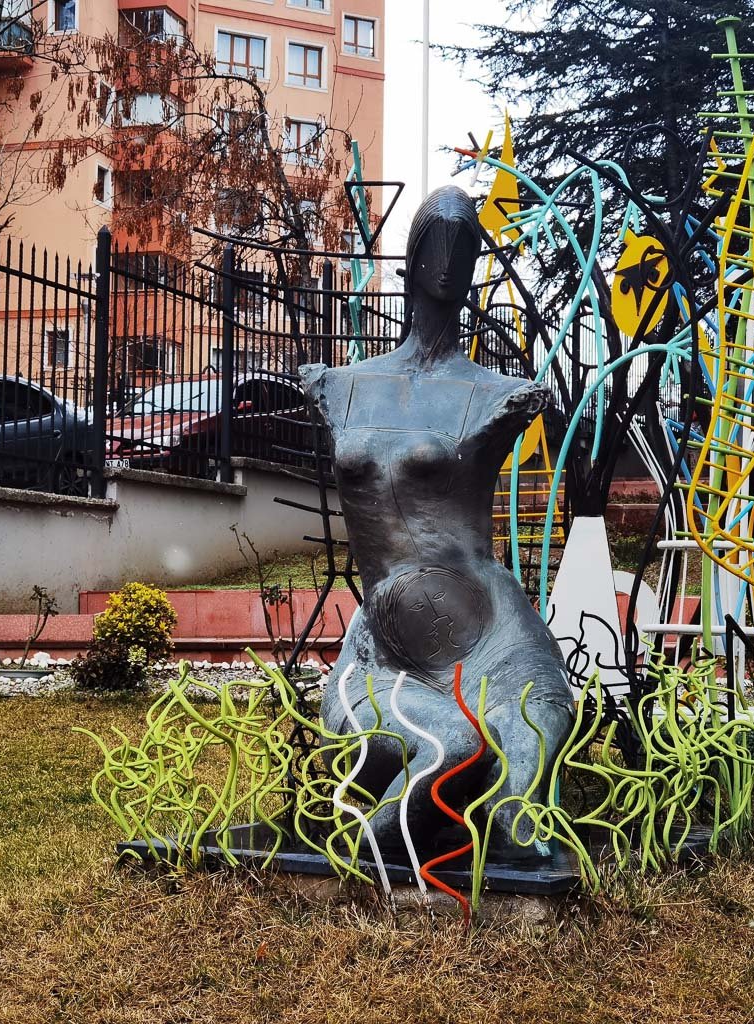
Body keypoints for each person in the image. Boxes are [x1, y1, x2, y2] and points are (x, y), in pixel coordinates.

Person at [299, 186, 573, 859]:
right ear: (412, 257)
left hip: (492, 634)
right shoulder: (339, 384)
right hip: (384, 649)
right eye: (437, 242)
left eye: (465, 245)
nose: (449, 262)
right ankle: (375, 847)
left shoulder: (499, 393)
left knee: (535, 736)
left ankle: (498, 821)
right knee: (451, 745)